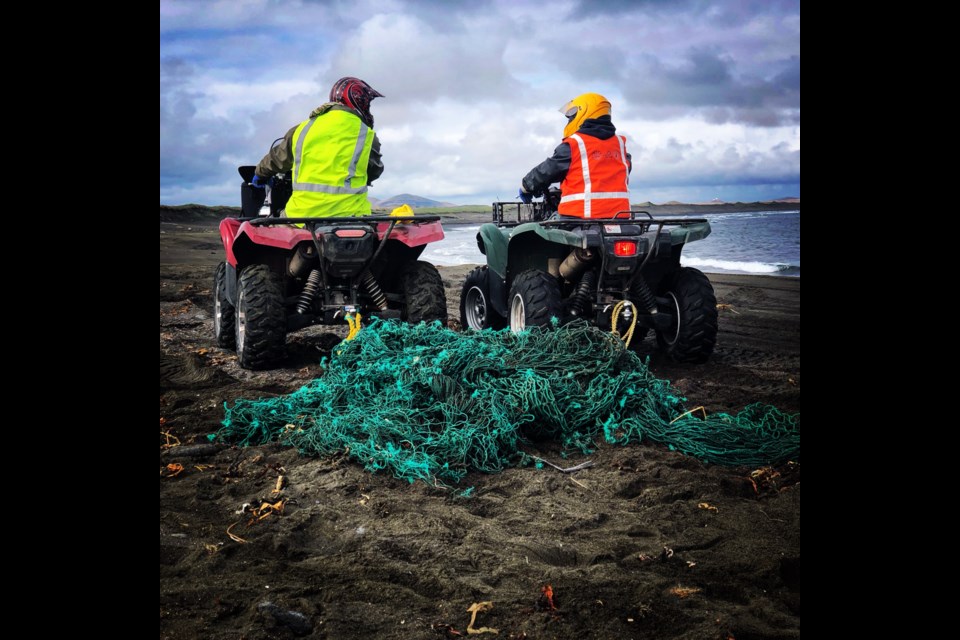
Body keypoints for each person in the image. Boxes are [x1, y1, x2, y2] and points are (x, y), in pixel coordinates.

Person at [252, 77, 384, 218]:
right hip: (353, 217)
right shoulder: (366, 134)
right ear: (358, 102)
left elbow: (277, 158)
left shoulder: (302, 129)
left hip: (301, 218)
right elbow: (374, 171)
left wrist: (260, 174)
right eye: (367, 105)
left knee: (269, 229)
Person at [519, 92, 632, 219]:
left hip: (579, 217)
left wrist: (526, 186)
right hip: (621, 217)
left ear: (583, 112)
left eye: (571, 116)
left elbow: (548, 169)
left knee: (548, 228)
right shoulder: (620, 145)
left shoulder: (576, 144)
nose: (570, 120)